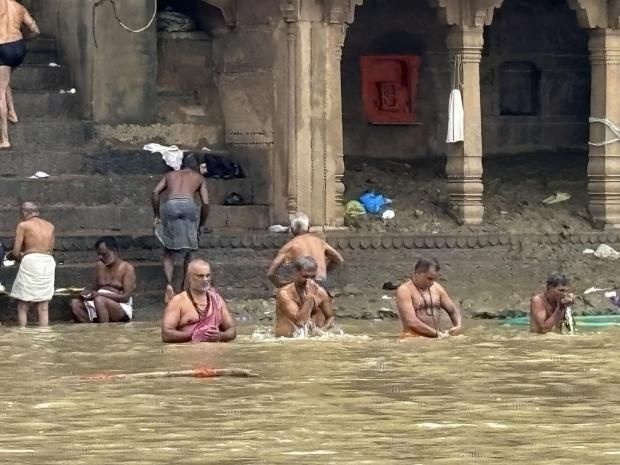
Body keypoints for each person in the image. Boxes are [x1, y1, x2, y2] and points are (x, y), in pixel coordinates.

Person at [151, 154, 209, 303]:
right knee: (190, 250)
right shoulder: (199, 177)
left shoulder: (170, 175)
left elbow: (155, 192)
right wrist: (201, 225)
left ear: (182, 164)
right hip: (189, 205)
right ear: (196, 166)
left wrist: (157, 215)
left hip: (170, 205)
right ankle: (185, 288)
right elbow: (206, 203)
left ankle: (169, 285)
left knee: (168, 250)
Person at [161, 258, 236, 343]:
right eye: (200, 276)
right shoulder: (178, 301)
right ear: (189, 277)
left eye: (208, 275)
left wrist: (220, 336)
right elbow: (166, 335)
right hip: (188, 349)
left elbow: (232, 330)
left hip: (214, 349)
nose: (205, 279)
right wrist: (194, 335)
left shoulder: (217, 300)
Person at [267, 212, 344, 293]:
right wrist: (322, 271)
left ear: (292, 230)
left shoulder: (289, 246)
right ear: (308, 228)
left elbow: (270, 274)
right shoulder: (319, 242)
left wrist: (281, 285)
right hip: (322, 283)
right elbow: (339, 260)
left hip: (303, 286)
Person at [7, 202, 55, 326]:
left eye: (21, 214)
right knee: (43, 305)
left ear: (24, 212)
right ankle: (44, 333)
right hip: (48, 261)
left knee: (23, 304)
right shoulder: (50, 226)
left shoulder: (23, 225)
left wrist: (10, 256)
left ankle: (23, 333)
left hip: (32, 261)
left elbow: (16, 252)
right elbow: (51, 249)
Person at [0, 0, 40, 149]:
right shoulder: (19, 7)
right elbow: (36, 30)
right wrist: (24, 39)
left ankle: (5, 139)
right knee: (4, 79)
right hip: (18, 48)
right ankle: (12, 113)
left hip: (3, 47)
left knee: (0, 92)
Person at [70, 236, 136, 323]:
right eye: (99, 254)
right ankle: (92, 326)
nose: (101, 257)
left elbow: (125, 298)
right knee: (74, 304)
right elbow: (94, 290)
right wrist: (86, 294)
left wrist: (100, 295)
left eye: (104, 254)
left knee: (100, 300)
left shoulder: (127, 268)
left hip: (120, 307)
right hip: (98, 302)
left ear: (114, 251)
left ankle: (104, 328)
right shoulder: (99, 266)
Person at [395, 258, 462, 338]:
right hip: (414, 338)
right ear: (416, 274)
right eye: (429, 278)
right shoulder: (404, 290)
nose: (432, 282)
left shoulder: (437, 288)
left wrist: (458, 325)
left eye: (434, 279)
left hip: (436, 337)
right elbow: (412, 322)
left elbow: (453, 310)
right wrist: (437, 334)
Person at [274, 256, 334, 337]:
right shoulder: (285, 294)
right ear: (295, 272)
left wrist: (322, 332)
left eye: (312, 277)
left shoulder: (320, 292)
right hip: (286, 340)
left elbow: (330, 317)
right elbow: (299, 322)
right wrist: (311, 298)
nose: (309, 281)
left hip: (310, 340)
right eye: (305, 276)